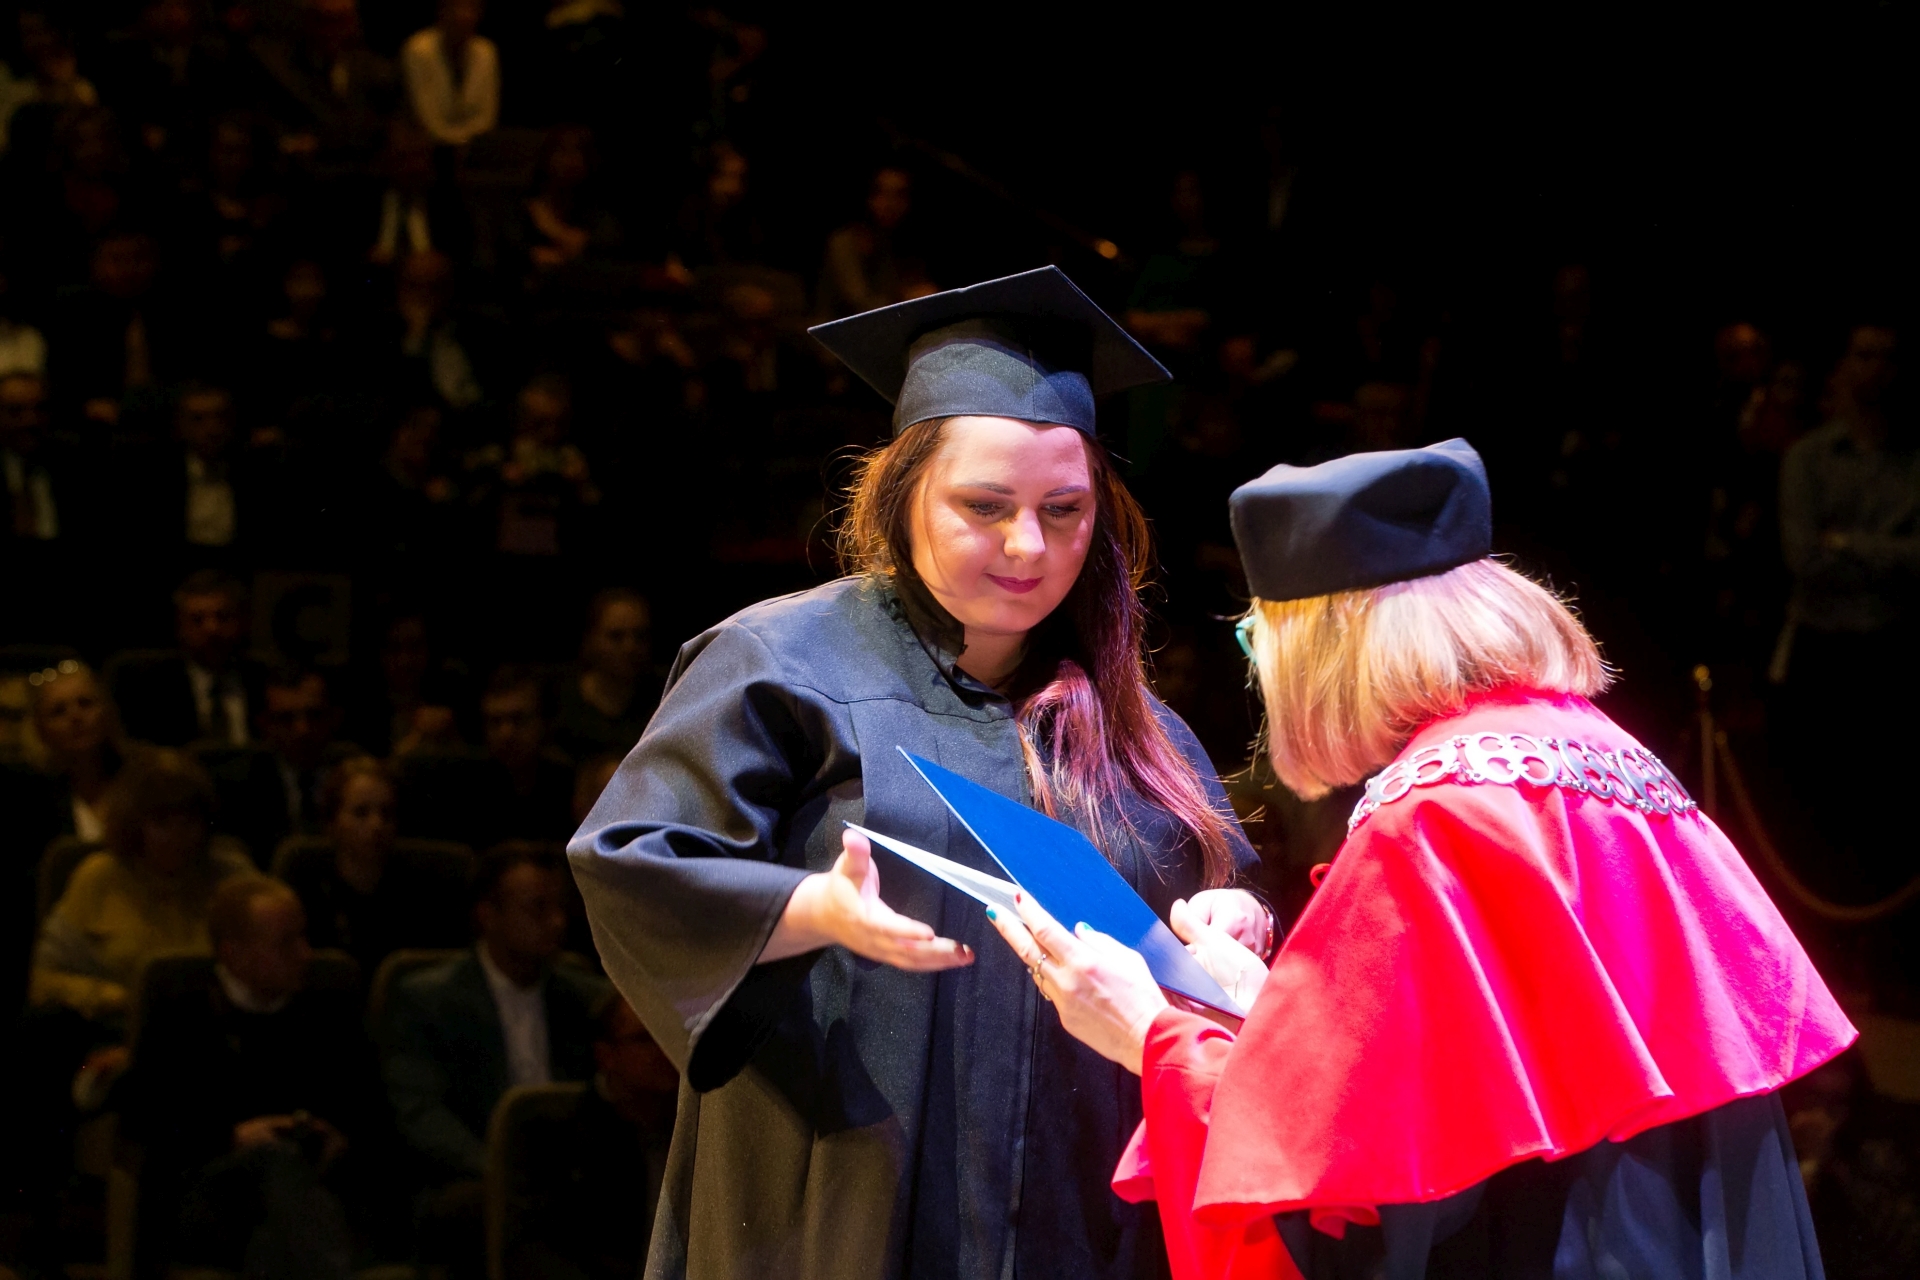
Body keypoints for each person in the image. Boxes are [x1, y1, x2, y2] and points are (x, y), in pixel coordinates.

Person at [988, 440, 1855, 1279]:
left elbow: (1358, 1192)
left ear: (1331, 637)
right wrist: (1277, 1014)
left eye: (1259, 643)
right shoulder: (1593, 751)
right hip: (1697, 1225)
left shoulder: (1431, 819)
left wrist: (1153, 1034)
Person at [570, 266, 1269, 1278]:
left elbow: (1211, 903)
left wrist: (1232, 917)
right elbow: (633, 858)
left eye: (1064, 509)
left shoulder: (1132, 721)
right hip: (838, 1197)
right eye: (983, 505)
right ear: (904, 496)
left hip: (1074, 1215)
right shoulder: (781, 664)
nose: (1028, 545)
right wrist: (809, 909)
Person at [117, 876, 383, 1279]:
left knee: (275, 1235)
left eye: (304, 937)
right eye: (285, 943)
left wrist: (337, 1136)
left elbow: (373, 1113)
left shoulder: (329, 1012)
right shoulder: (182, 1015)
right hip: (209, 1195)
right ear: (233, 954)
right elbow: (145, 1124)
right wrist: (232, 1137)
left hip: (313, 1191)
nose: (305, 954)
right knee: (273, 1164)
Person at [379, 844, 606, 1275]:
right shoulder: (427, 999)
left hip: (568, 1173)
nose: (557, 922)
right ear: (488, 915)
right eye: (537, 909)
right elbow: (421, 1114)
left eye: (560, 908)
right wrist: (499, 1168)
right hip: (472, 1175)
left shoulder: (584, 997)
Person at [31, 748, 253, 1026]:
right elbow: (43, 979)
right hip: (116, 1028)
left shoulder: (232, 877)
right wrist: (112, 998)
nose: (178, 836)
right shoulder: (97, 878)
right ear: (133, 825)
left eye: (189, 822)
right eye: (162, 823)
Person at [501, 993, 678, 1280]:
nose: (664, 1050)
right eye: (645, 1039)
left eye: (671, 1037)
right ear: (606, 1055)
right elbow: (531, 1253)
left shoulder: (695, 1133)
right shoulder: (556, 1135)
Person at [282, 757, 470, 974]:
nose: (377, 825)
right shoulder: (306, 891)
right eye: (361, 812)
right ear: (332, 823)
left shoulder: (428, 892)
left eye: (386, 813)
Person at [206, 664, 355, 864]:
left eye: (314, 715)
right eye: (286, 719)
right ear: (264, 725)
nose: (302, 730)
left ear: (335, 718)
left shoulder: (356, 778)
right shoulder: (238, 788)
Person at [110, 569, 266, 748]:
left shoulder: (264, 679)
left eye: (222, 617)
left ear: (243, 621)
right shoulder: (147, 685)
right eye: (197, 619)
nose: (211, 629)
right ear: (179, 626)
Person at [549, 589, 658, 764]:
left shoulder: (663, 699)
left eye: (640, 636)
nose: (630, 647)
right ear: (591, 639)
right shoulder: (559, 700)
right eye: (616, 636)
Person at [401, 0, 499, 149]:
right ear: (442, 12)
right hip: (427, 148)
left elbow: (487, 116)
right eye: (457, 7)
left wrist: (470, 142)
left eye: (471, 8)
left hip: (475, 148)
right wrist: (457, 143)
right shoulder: (419, 50)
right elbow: (426, 118)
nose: (464, 15)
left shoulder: (486, 52)